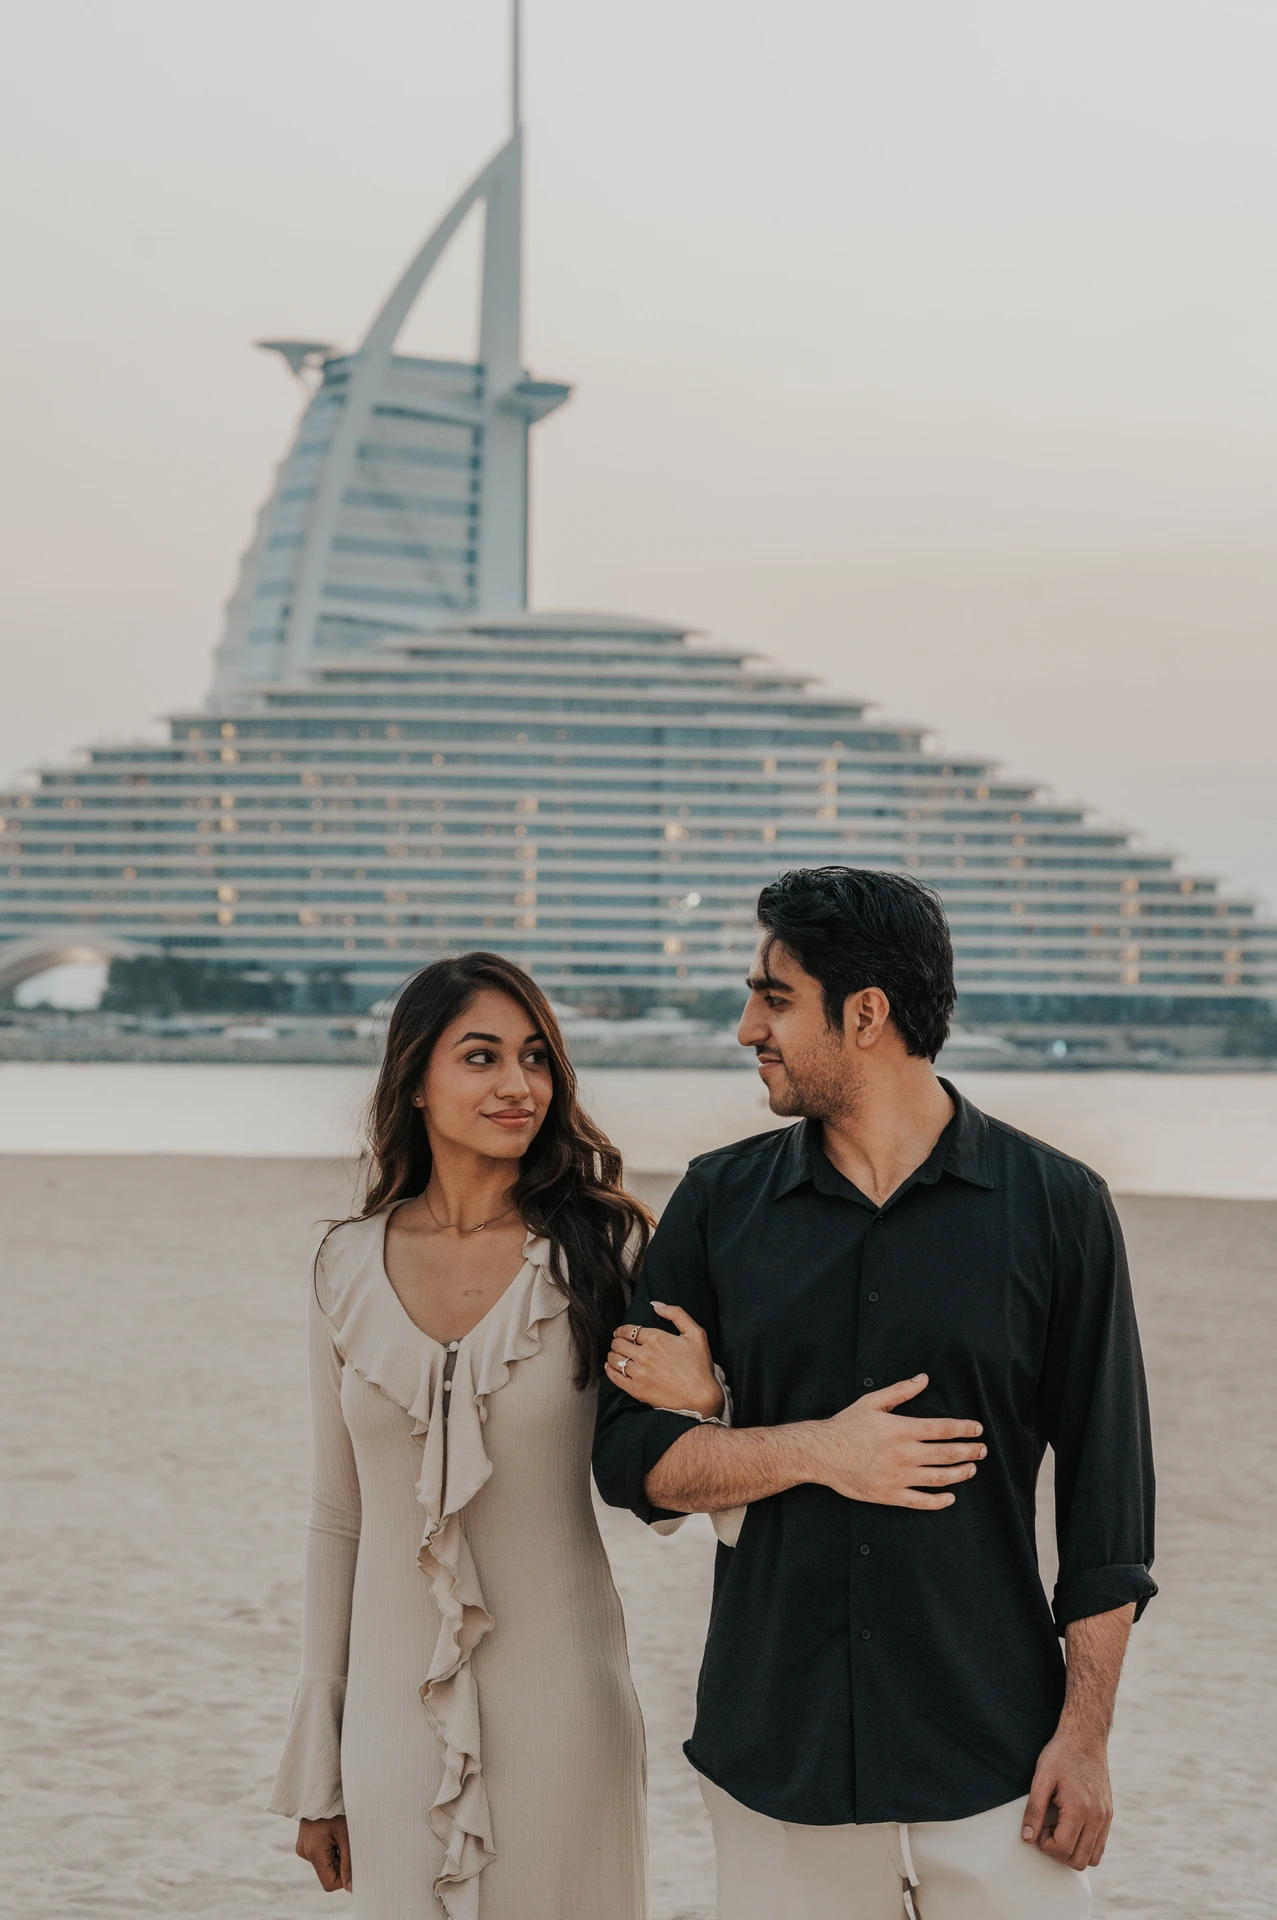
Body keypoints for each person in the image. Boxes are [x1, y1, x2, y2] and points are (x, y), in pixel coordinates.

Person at [595, 867, 1156, 1920]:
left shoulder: (1058, 1210)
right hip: (776, 1750)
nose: (743, 1026)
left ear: (864, 1014)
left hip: (998, 1757)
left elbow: (1106, 1514)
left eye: (772, 996)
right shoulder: (718, 1203)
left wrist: (1083, 1740)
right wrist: (810, 1448)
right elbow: (630, 1464)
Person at [268, 951, 723, 1918]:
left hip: (564, 1704)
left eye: (536, 1060)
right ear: (416, 1082)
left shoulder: (606, 1252)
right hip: (390, 1718)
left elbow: (667, 1487)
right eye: (480, 1058)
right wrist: (320, 1760)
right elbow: (335, 1518)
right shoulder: (342, 1264)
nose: (517, 1087)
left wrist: (708, 1403)